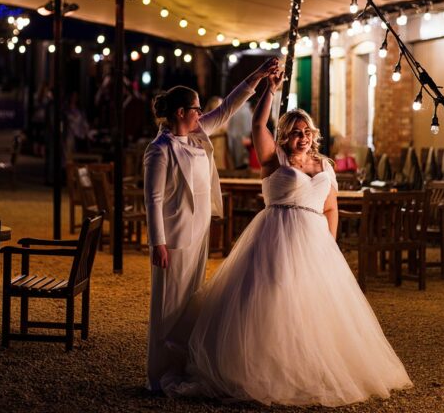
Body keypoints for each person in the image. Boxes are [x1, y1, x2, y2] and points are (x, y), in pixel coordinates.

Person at [163, 72, 412, 406]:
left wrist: (329, 246)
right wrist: (269, 90)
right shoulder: (273, 158)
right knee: (272, 296)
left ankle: (314, 366)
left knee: (315, 306)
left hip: (314, 242)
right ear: (284, 136)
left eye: (307, 132)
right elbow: (257, 124)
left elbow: (331, 207)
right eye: (296, 132)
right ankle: (263, 368)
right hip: (275, 236)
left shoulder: (324, 164)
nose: (303, 137)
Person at [143, 58, 278, 392]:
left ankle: (183, 363)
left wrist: (258, 76)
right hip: (173, 238)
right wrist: (156, 243)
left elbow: (231, 106)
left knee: (191, 303)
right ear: (180, 113)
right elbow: (153, 200)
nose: (201, 114)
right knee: (167, 306)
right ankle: (158, 374)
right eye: (196, 109)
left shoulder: (198, 134)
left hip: (199, 232)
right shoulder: (159, 150)